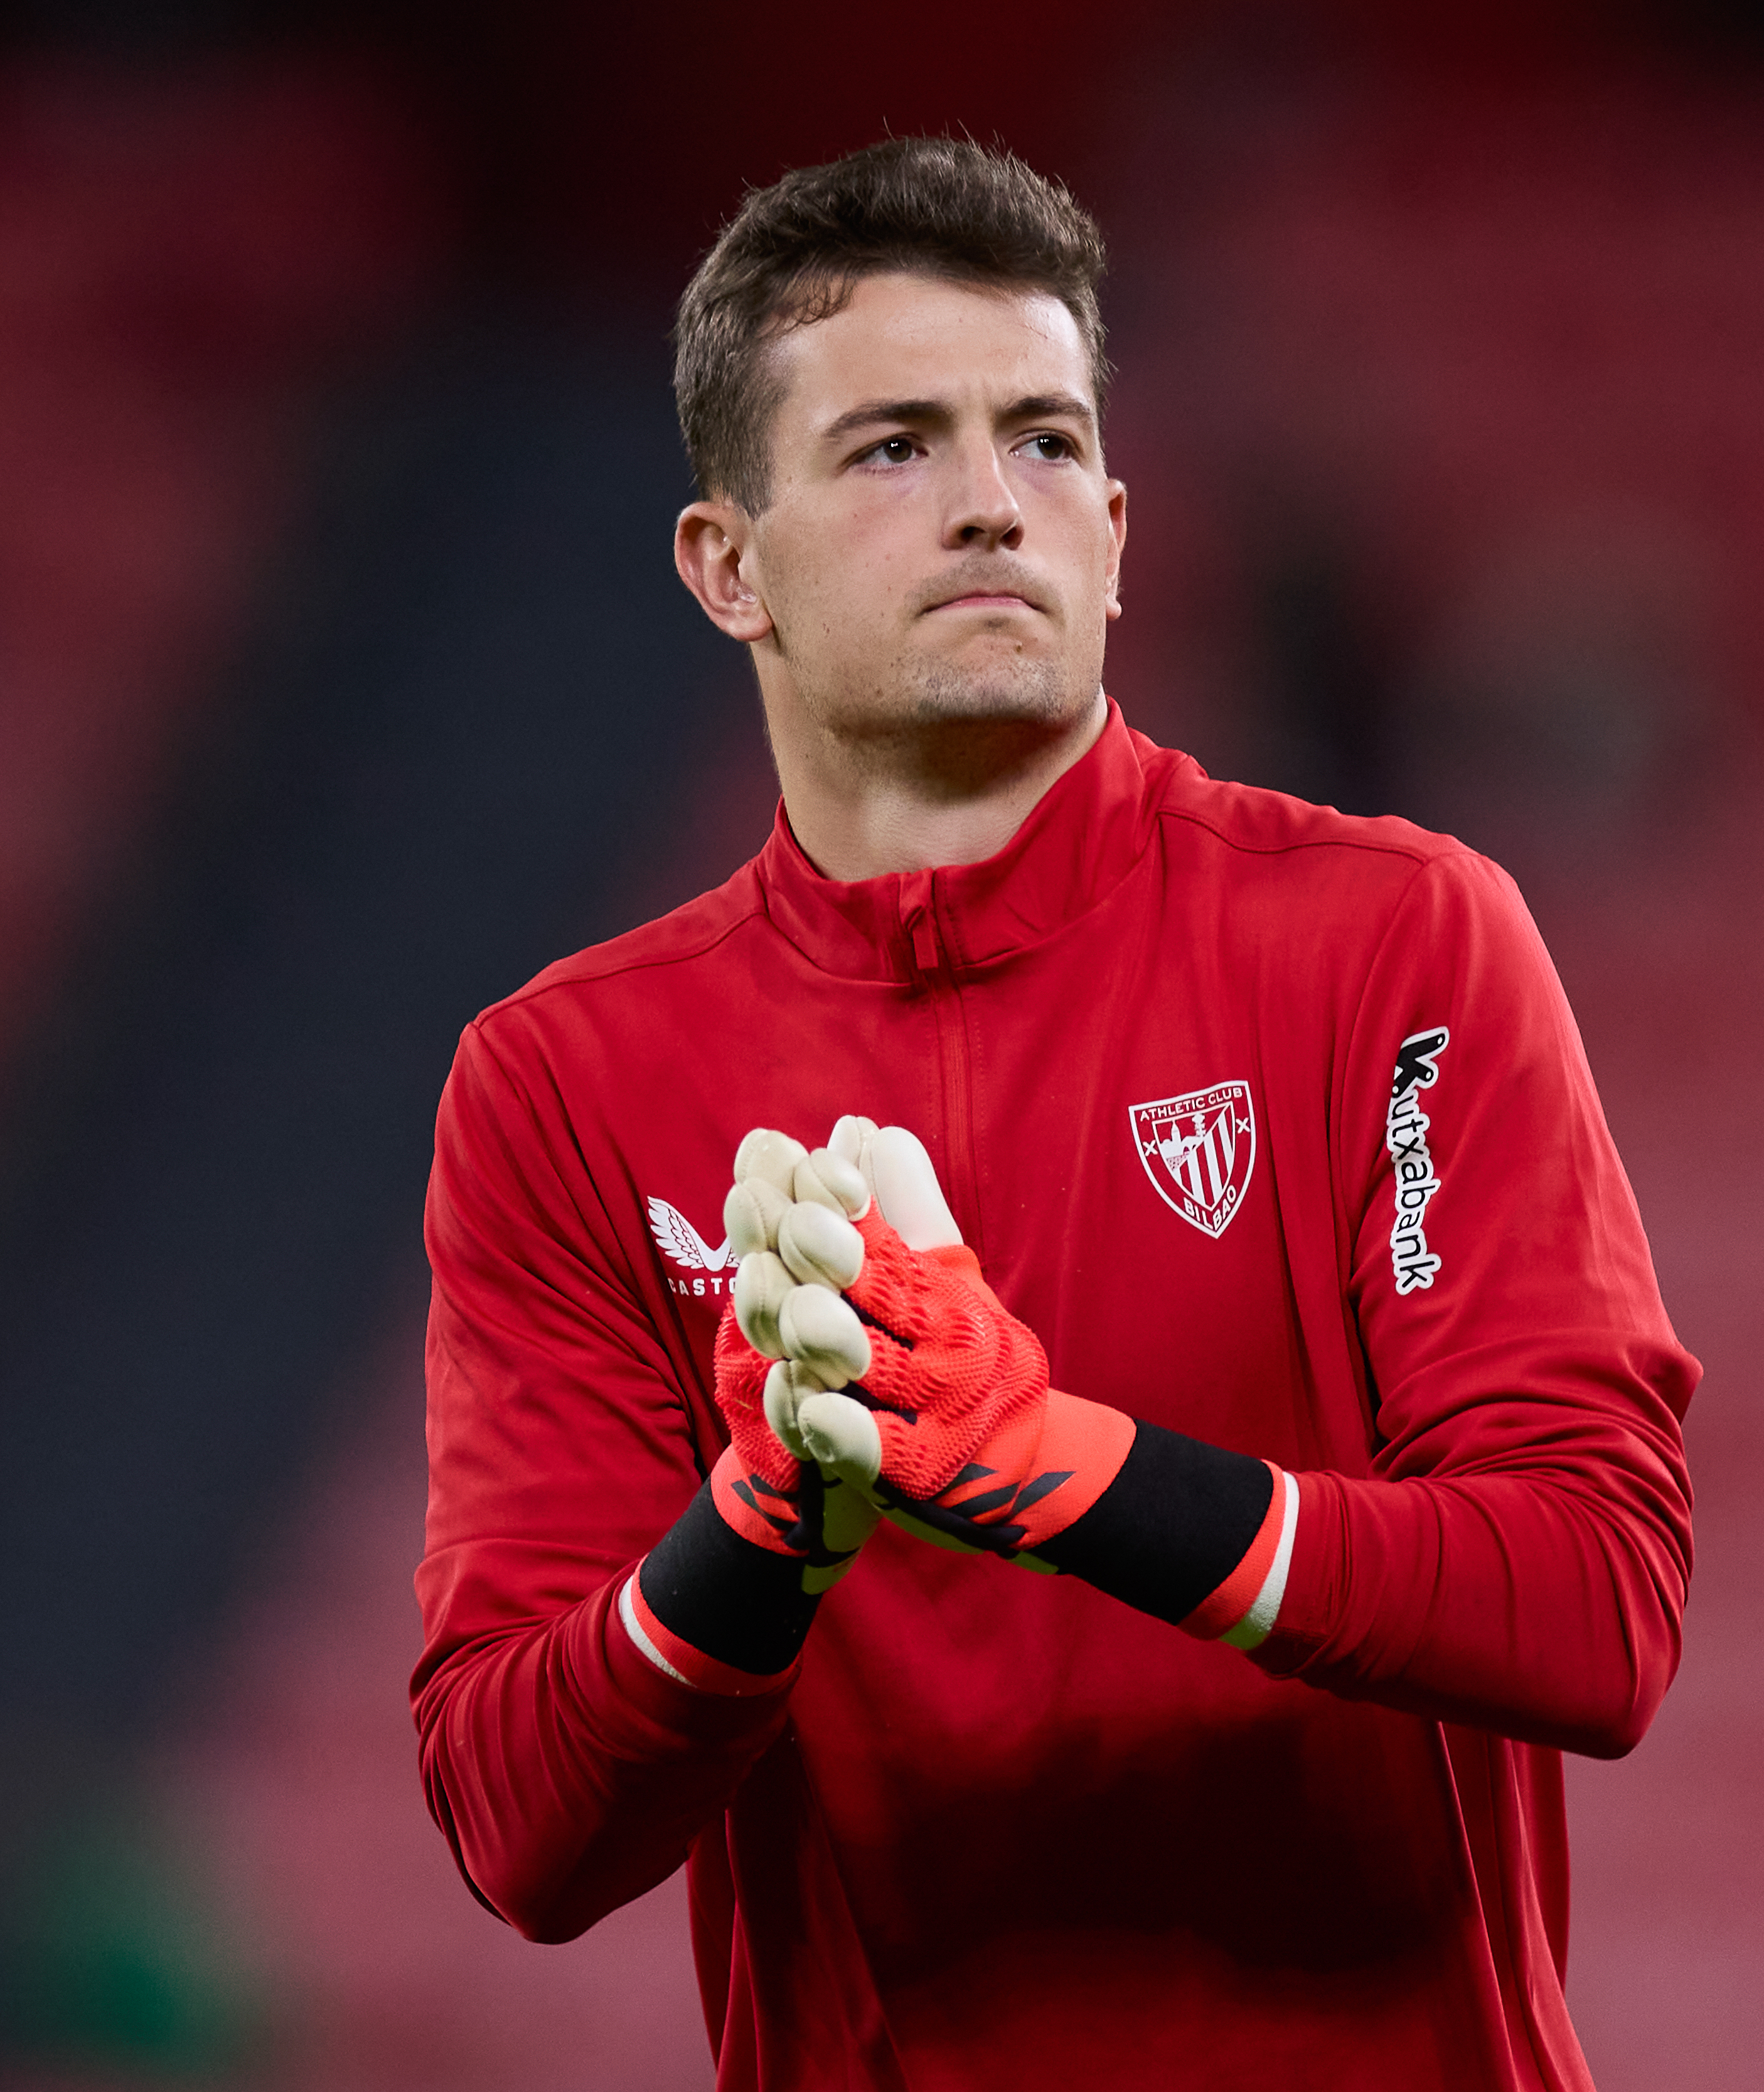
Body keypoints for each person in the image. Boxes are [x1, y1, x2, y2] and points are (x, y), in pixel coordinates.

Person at [411, 137, 1699, 2090]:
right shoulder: (565, 1084)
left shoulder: (1397, 939)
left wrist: (1065, 1468)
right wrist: (763, 1527)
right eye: (895, 449)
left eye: (1042, 441)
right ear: (725, 565)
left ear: (1116, 523)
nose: (994, 505)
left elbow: (1597, 1608)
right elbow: (522, 1822)